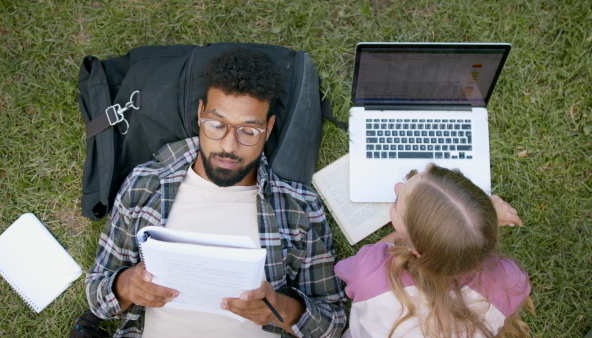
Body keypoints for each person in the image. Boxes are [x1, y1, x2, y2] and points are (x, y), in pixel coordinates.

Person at [85, 47, 346, 337]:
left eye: (248, 130)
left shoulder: (299, 205)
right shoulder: (147, 183)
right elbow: (97, 294)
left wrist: (279, 309)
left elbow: (332, 323)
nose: (229, 146)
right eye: (217, 124)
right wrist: (127, 285)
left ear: (269, 128)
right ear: (200, 115)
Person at [334, 164, 533, 338]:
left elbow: (352, 269)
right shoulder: (509, 281)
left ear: (415, 248)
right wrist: (473, 223)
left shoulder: (371, 271)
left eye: (396, 205)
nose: (397, 186)